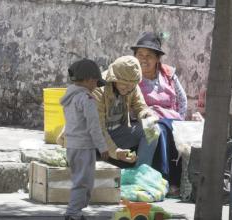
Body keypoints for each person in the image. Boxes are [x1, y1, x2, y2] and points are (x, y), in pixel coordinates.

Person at [57, 56, 159, 167]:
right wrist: (115, 152)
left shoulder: (132, 85)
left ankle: (141, 172)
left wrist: (146, 115)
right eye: (124, 84)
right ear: (114, 79)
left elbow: (140, 106)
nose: (128, 89)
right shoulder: (96, 89)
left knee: (152, 130)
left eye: (131, 86)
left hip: (114, 134)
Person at [131, 32, 187, 196]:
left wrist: (181, 121)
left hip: (171, 119)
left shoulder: (168, 75)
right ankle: (164, 177)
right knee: (158, 129)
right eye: (140, 54)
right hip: (145, 120)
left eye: (149, 55)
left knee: (176, 131)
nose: (144, 59)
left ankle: (174, 180)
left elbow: (182, 100)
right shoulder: (132, 75)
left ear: (157, 59)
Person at [61, 58, 109, 220]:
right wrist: (102, 147)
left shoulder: (69, 97)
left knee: (79, 180)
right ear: (89, 80)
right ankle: (73, 214)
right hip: (84, 147)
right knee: (84, 183)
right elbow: (93, 126)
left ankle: (75, 213)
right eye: (96, 81)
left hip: (72, 146)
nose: (96, 85)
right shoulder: (86, 99)